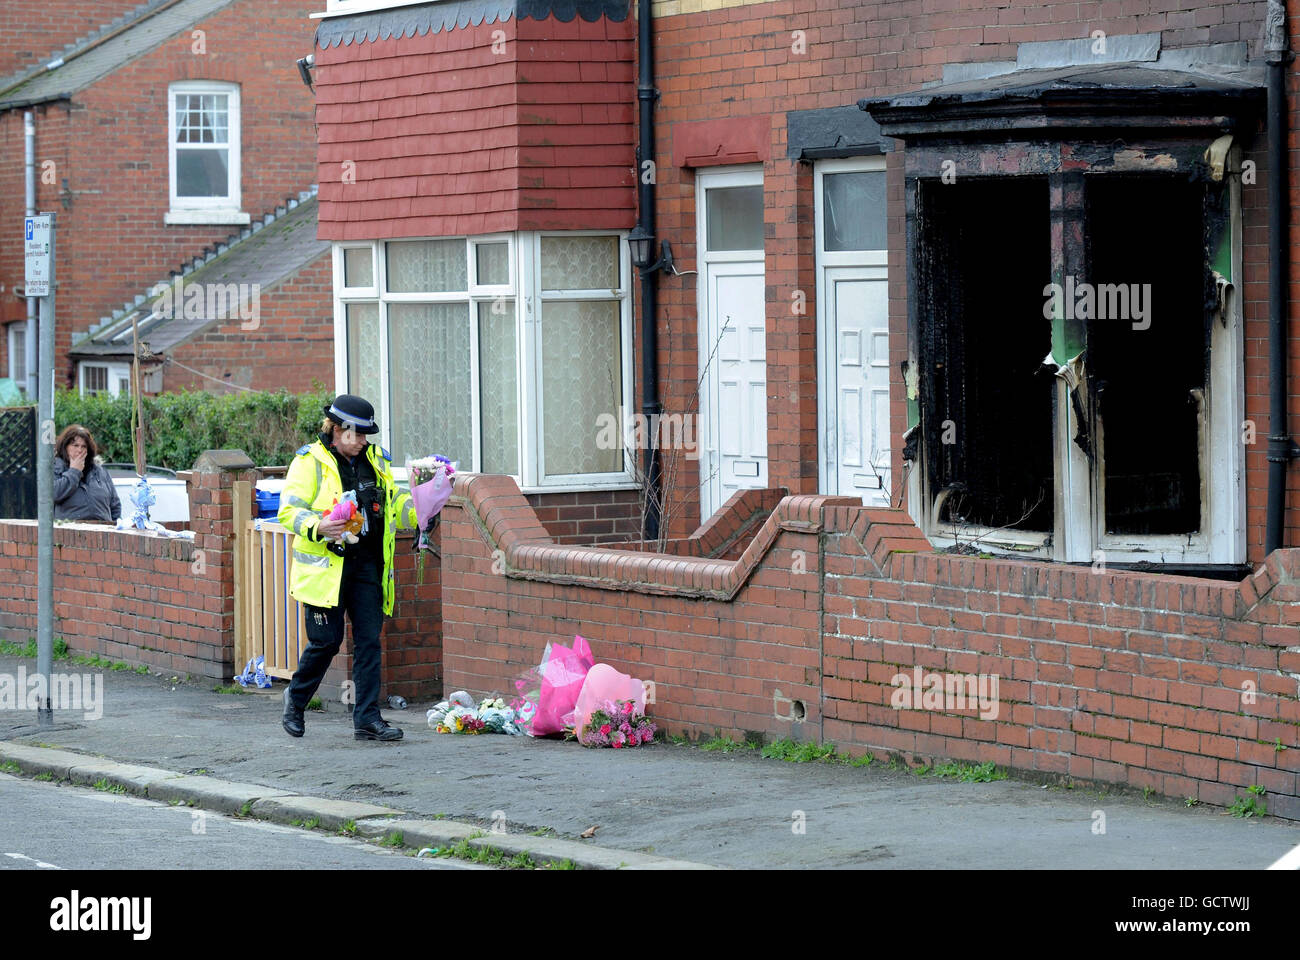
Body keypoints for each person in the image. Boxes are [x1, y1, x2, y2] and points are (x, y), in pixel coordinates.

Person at [277, 394, 418, 741]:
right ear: (338, 430)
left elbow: (396, 502)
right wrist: (319, 526)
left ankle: (367, 719)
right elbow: (288, 512)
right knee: (327, 641)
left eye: (368, 435)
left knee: (369, 640)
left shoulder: (376, 461)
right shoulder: (309, 462)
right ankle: (295, 700)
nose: (364, 442)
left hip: (368, 565)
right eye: (358, 434)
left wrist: (422, 510)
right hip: (327, 569)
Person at [53, 425, 121, 523]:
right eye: (75, 445)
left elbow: (115, 505)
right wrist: (74, 471)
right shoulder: (54, 467)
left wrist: (115, 526)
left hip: (103, 531)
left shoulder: (99, 471)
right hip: (70, 532)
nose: (79, 450)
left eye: (83, 446)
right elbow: (53, 494)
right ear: (65, 447)